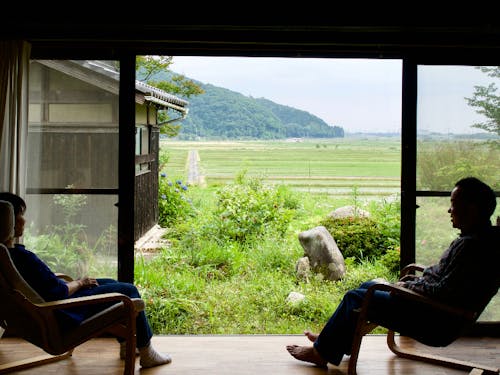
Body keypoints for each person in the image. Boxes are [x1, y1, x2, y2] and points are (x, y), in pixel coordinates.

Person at [286, 177, 499, 368]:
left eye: (453, 204)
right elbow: (448, 283)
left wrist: (408, 287)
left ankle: (320, 353)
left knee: (356, 297)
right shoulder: (480, 238)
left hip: (436, 321)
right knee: (368, 286)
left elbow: (445, 291)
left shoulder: (473, 248)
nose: (448, 210)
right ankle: (334, 342)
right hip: (433, 310)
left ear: (471, 209)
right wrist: (413, 283)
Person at [0, 192, 172, 369]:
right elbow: (59, 292)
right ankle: (147, 352)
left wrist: (80, 283)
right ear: (8, 221)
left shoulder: (7, 257)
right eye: (19, 215)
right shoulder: (22, 259)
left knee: (108, 282)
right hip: (63, 313)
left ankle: (126, 345)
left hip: (51, 309)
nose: (23, 220)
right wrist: (80, 283)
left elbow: (45, 289)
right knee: (128, 292)